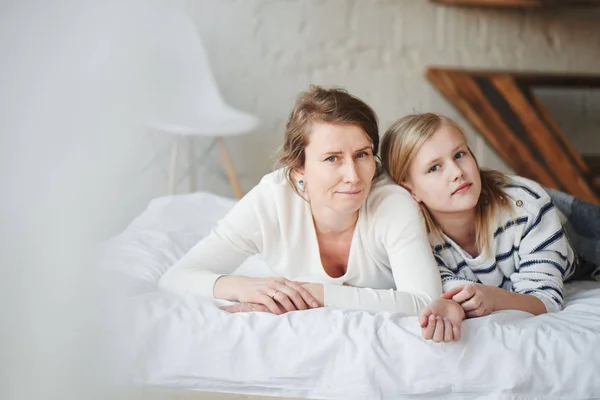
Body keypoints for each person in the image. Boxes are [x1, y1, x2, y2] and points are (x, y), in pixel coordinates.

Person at [158, 86, 464, 342]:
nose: (354, 177)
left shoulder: (392, 203)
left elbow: (424, 301)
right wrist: (242, 286)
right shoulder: (272, 200)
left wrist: (315, 294)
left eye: (362, 155)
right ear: (299, 168)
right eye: (332, 158)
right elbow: (176, 277)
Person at [380, 112, 599, 329]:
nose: (457, 172)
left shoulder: (526, 205)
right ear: (409, 189)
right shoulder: (413, 236)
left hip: (574, 236)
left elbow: (546, 300)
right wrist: (457, 304)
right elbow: (455, 296)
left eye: (459, 155)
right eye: (434, 167)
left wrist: (493, 298)